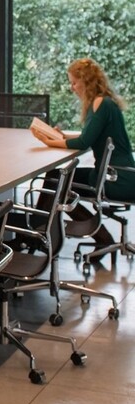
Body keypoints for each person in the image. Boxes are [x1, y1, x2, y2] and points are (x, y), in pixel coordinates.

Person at [29, 57, 135, 261]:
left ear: (86, 81)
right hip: (117, 174)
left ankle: (40, 231)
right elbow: (87, 136)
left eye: (74, 82)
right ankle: (39, 230)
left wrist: (48, 141)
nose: (72, 87)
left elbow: (84, 142)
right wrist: (59, 136)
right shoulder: (104, 102)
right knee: (57, 178)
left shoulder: (100, 103)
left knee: (57, 181)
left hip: (117, 179)